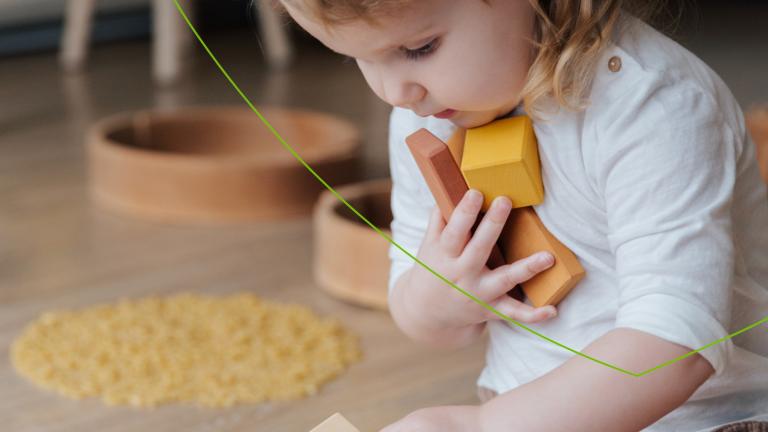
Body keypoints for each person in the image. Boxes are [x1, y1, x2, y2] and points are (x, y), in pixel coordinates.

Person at [275, 0, 768, 430]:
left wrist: (485, 426)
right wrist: (439, 297)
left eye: (419, 48)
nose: (393, 92)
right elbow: (414, 307)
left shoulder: (655, 109)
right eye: (357, 57)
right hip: (526, 409)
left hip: (710, 416)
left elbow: (677, 345)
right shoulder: (422, 114)